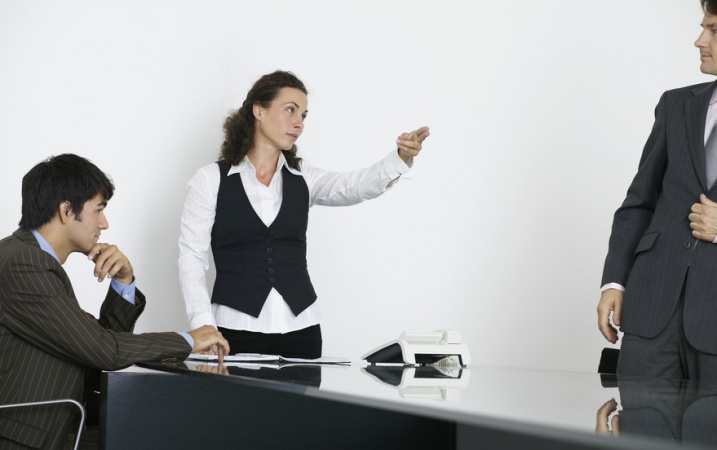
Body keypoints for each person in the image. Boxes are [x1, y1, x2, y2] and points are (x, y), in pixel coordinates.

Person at [178, 70, 429, 359]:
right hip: (232, 331)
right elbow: (192, 257)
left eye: (304, 115)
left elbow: (353, 186)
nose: (299, 123)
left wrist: (400, 158)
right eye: (290, 110)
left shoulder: (303, 177)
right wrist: (203, 325)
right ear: (259, 110)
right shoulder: (210, 180)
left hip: (302, 331)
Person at [0, 154, 229, 449]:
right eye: (98, 210)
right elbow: (102, 350)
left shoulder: (26, 257)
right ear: (66, 211)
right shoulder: (24, 263)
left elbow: (90, 345)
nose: (104, 224)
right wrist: (189, 339)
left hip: (58, 431)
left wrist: (123, 282)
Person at [597, 0, 717, 379]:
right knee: (638, 415)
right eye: (703, 28)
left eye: (714, 31)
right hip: (651, 311)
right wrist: (614, 282)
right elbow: (640, 202)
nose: (699, 40)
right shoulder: (676, 104)